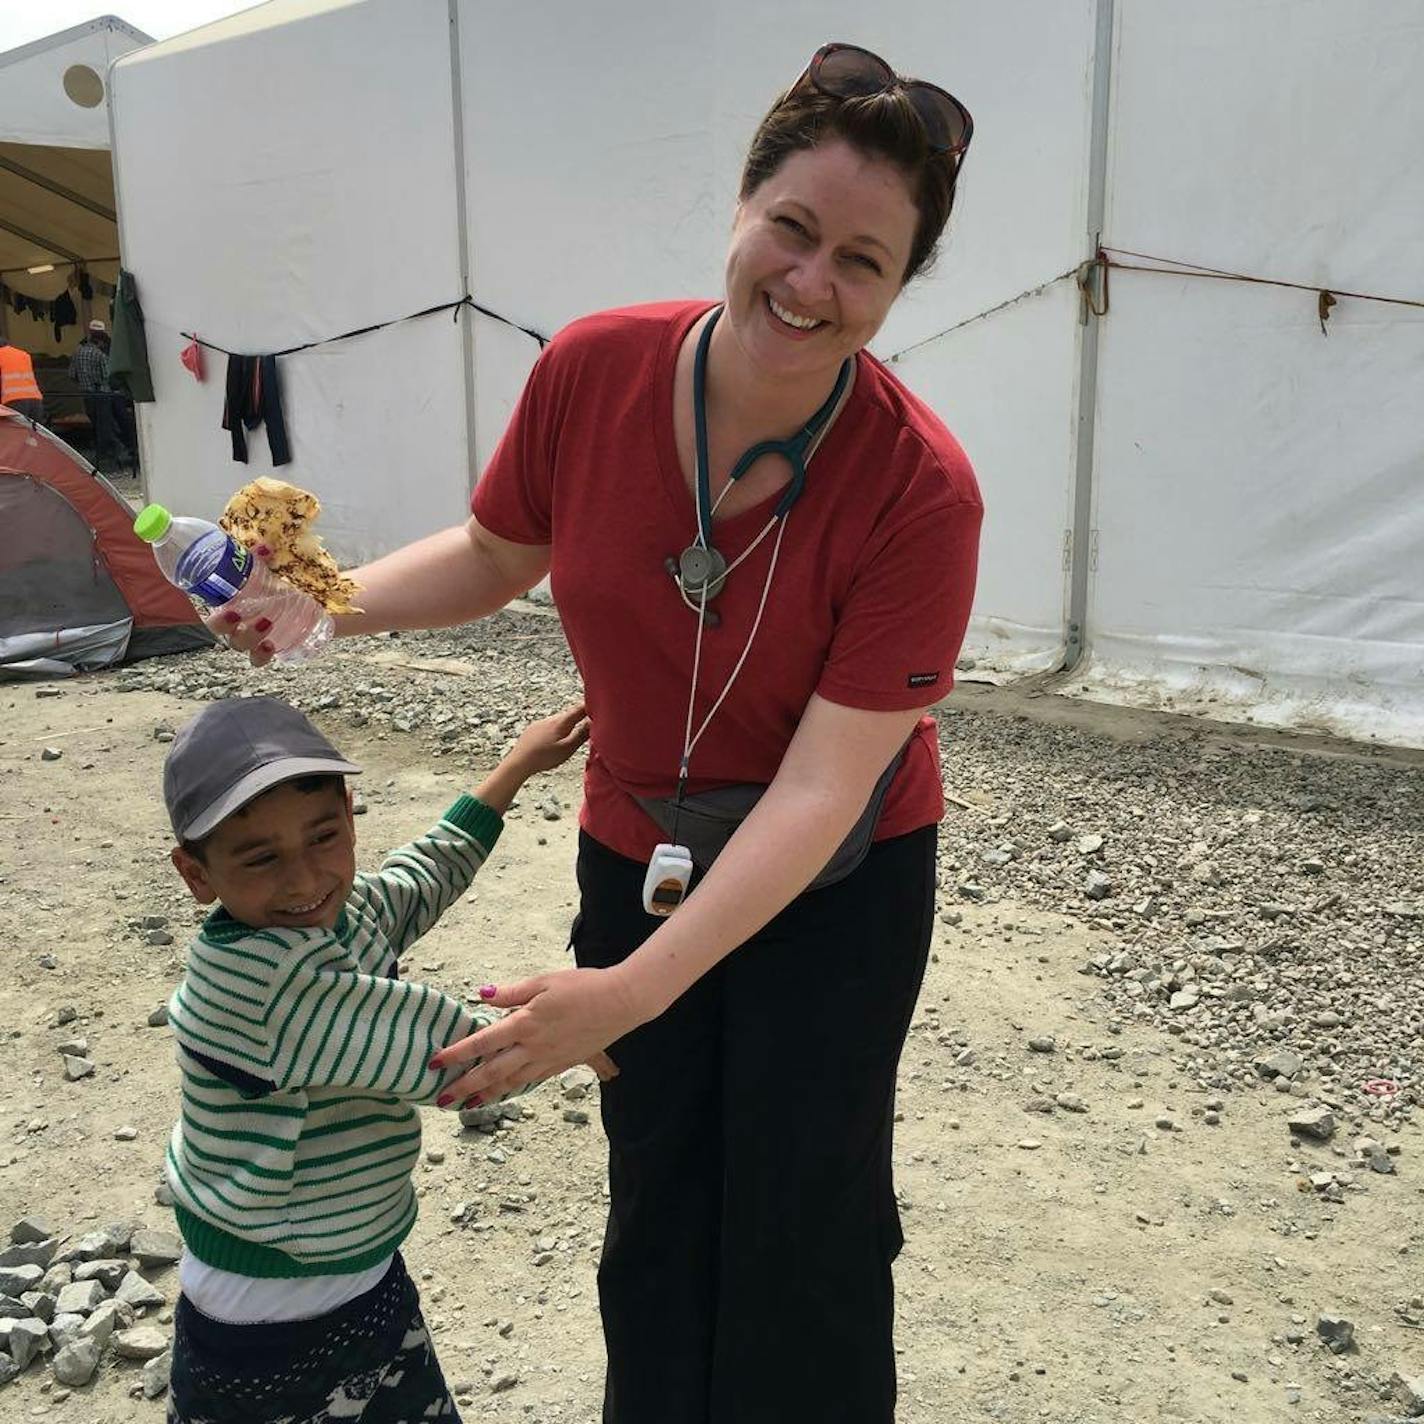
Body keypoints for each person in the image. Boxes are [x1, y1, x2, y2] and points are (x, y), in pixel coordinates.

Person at [219, 42, 982, 1424]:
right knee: (661, 1193)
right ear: (742, 207)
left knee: (806, 1211)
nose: (811, 284)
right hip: (638, 845)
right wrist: (324, 611)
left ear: (899, 287)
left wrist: (627, 992)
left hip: (840, 884)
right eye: (793, 230)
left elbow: (819, 793)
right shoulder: (595, 368)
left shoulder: (923, 490)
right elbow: (494, 550)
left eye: (863, 262)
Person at [158, 694, 598, 1423]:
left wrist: (513, 769)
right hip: (274, 1324)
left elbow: (413, 883)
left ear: (350, 815)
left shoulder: (329, 913)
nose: (304, 881)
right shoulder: (265, 990)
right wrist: (603, 1024)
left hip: (353, 1274)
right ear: (196, 873)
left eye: (324, 838)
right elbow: (453, 1056)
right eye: (261, 857)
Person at [69, 319, 136, 467]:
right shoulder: (101, 354)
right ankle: (114, 454)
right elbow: (108, 376)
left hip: (87, 395)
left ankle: (102, 455)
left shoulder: (78, 352)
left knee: (96, 425)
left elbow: (72, 375)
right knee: (108, 426)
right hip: (104, 394)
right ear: (101, 339)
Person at [0, 339, 45, 423]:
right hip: (35, 399)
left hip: (13, 401)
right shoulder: (24, 354)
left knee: (15, 433)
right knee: (35, 433)